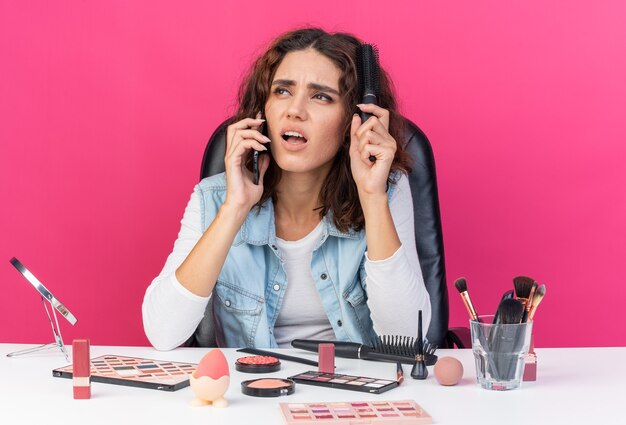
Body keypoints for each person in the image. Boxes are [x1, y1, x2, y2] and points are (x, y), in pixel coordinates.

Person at [142, 28, 431, 350]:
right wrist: (235, 208)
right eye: (282, 91)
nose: (294, 110)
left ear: (357, 122)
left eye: (321, 96)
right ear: (261, 110)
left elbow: (407, 339)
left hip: (353, 388)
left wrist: (372, 198)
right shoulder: (215, 197)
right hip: (252, 389)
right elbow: (163, 334)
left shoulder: (386, 191)